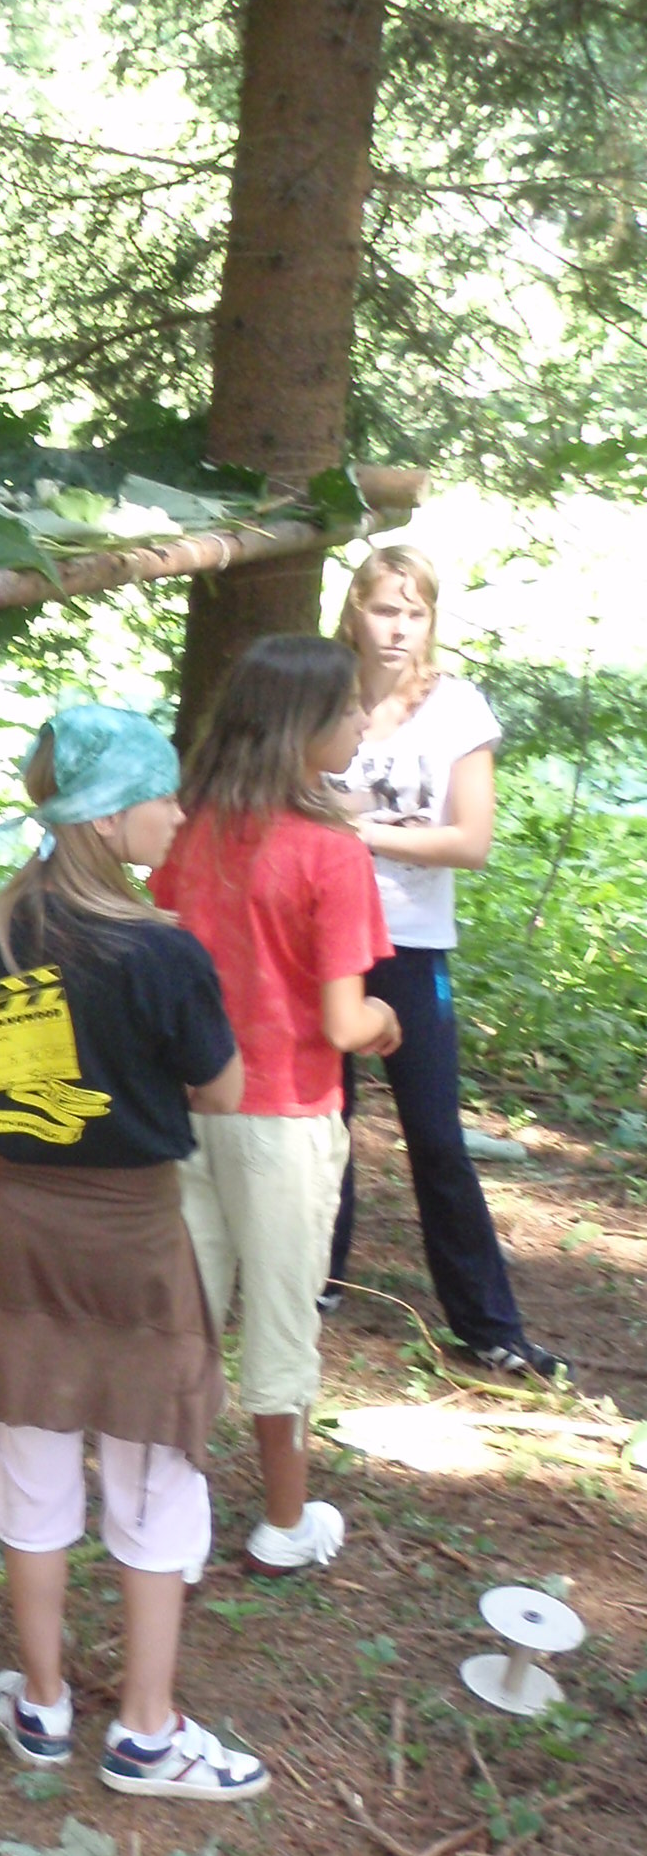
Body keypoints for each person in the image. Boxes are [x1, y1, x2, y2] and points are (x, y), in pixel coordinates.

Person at [0, 705, 267, 1802]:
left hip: (20, 1235)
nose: (178, 815)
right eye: (161, 796)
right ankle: (145, 1733)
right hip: (131, 1240)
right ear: (106, 814)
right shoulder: (162, 951)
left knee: (30, 1463)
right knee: (153, 1471)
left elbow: (2, 1085)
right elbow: (221, 1090)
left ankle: (42, 1706)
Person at [154, 636, 400, 1574]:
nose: (364, 720)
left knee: (185, 1317)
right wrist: (384, 1021)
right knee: (283, 1320)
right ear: (304, 729)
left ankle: (165, 1527)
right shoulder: (332, 852)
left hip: (186, 1108)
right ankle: (285, 1523)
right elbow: (342, 1020)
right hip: (286, 1119)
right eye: (349, 709)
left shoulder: (190, 830)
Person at [323, 547, 570, 1380]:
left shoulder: (455, 707)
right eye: (384, 609)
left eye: (415, 612)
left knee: (434, 1135)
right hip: (317, 936)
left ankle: (490, 1325)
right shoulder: (323, 694)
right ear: (354, 611)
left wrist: (361, 833)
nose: (398, 628)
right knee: (322, 1119)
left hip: (410, 940)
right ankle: (314, 1282)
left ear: (430, 620)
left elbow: (471, 841)